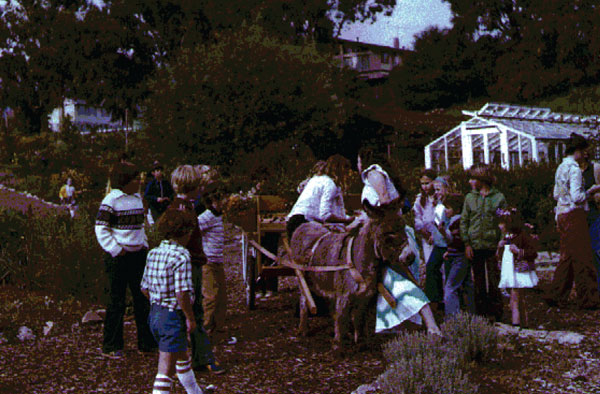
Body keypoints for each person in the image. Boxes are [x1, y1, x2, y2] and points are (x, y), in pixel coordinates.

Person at [355, 148, 441, 336]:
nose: (357, 164)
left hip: (391, 237)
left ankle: (431, 326)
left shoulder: (374, 173)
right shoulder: (376, 173)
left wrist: (363, 221)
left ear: (364, 158)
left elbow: (385, 205)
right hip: (389, 235)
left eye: (358, 159)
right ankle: (407, 326)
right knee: (391, 281)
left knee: (400, 280)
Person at [95, 161, 156, 358]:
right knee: (116, 302)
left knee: (143, 300)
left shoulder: (137, 198)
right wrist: (115, 249)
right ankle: (111, 346)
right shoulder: (111, 200)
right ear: (124, 181)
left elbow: (140, 225)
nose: (139, 182)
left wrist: (144, 243)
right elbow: (101, 228)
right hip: (118, 258)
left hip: (138, 255)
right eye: (135, 179)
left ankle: (146, 343)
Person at [167, 165, 224, 374]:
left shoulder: (183, 206)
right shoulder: (182, 210)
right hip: (188, 264)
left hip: (190, 263)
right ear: (194, 187)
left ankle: (195, 358)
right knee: (192, 312)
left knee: (194, 311)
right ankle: (195, 358)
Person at [140, 209, 205, 394]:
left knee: (182, 356)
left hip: (154, 314)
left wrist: (158, 300)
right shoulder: (181, 255)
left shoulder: (153, 253)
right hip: (172, 315)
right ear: (186, 232)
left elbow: (144, 288)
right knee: (165, 371)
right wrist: (190, 318)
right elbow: (182, 293)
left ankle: (195, 392)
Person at [545, 133, 600, 309]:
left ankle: (556, 294)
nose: (585, 154)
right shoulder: (575, 169)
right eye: (584, 151)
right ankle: (588, 299)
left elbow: (556, 194)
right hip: (574, 215)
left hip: (561, 214)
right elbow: (577, 197)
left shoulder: (561, 167)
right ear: (577, 150)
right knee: (583, 259)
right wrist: (591, 191)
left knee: (567, 257)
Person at [460, 164, 507, 321]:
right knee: (478, 280)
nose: (470, 181)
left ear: (482, 179)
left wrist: (501, 242)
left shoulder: (499, 198)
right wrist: (467, 244)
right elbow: (464, 221)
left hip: (492, 245)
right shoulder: (469, 198)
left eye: (473, 178)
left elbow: (503, 221)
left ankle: (496, 312)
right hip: (475, 246)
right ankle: (481, 314)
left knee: (494, 279)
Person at [286, 154, 354, 240]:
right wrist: (346, 221)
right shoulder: (330, 184)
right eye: (346, 172)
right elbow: (325, 215)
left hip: (292, 222)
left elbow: (301, 189)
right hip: (303, 225)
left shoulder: (316, 179)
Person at [496, 207, 538, 328]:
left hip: (519, 271)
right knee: (515, 297)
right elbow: (501, 255)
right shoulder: (507, 237)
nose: (500, 226)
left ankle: (517, 323)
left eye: (502, 223)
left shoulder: (522, 236)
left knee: (516, 297)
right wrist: (499, 247)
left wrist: (519, 251)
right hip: (510, 271)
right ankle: (521, 322)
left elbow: (533, 252)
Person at [197, 184, 227, 340]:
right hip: (208, 261)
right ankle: (204, 331)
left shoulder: (219, 216)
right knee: (210, 297)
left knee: (222, 297)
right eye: (220, 200)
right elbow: (194, 228)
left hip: (218, 261)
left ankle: (219, 330)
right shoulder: (207, 216)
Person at [440, 194, 474, 317]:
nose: (445, 210)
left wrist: (443, 233)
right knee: (467, 285)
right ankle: (472, 314)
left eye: (448, 208)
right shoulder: (455, 222)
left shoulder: (458, 222)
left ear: (457, 209)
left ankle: (453, 318)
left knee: (450, 288)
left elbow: (458, 241)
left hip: (459, 258)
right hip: (458, 256)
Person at [424, 176, 451, 311]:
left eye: (439, 189)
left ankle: (450, 303)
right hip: (439, 243)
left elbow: (448, 225)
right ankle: (435, 300)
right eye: (435, 189)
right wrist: (434, 236)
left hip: (448, 244)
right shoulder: (437, 204)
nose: (437, 192)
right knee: (431, 268)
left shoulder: (449, 206)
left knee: (449, 273)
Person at [580, 150, 600, 293]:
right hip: (579, 216)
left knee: (597, 250)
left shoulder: (595, 169)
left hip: (594, 214)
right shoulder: (572, 170)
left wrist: (594, 192)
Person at [413, 168, 437, 284]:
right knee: (430, 265)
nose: (425, 187)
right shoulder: (420, 199)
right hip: (427, 238)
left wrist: (436, 234)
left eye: (427, 183)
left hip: (439, 235)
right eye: (422, 184)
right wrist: (424, 232)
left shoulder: (439, 196)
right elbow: (417, 218)